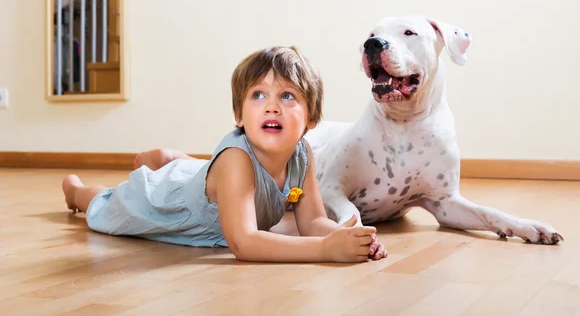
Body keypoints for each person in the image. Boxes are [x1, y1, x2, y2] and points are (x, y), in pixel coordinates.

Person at [62, 46, 387, 263]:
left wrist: (349, 238)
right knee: (109, 202)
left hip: (206, 186)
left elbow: (313, 220)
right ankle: (75, 190)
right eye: (258, 95)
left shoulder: (302, 154)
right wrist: (325, 250)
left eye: (287, 96)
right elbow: (243, 242)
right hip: (162, 204)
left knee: (197, 174)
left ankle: (174, 162)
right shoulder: (236, 160)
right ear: (238, 115)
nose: (272, 105)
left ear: (312, 119)